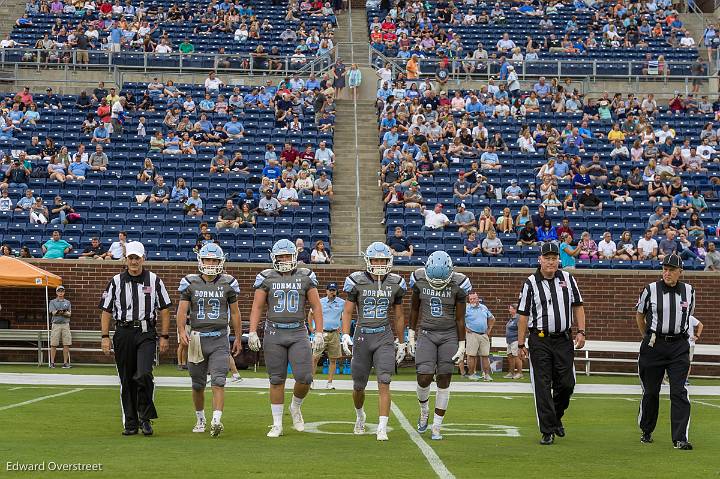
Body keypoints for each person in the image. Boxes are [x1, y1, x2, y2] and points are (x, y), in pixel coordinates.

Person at [248, 239, 325, 438]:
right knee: (276, 380)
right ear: (274, 257)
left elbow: (316, 306)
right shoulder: (266, 277)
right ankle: (277, 424)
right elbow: (257, 306)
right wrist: (253, 331)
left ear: (295, 257)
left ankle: (295, 406)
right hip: (274, 332)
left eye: (287, 256)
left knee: (305, 377)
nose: (284, 260)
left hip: (298, 331)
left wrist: (318, 332)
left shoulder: (305, 276)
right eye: (280, 256)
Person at [99, 241, 172, 436]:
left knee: (144, 374)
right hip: (123, 332)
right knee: (127, 379)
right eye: (130, 258)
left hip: (146, 331)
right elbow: (106, 311)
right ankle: (131, 422)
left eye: (136, 258)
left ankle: (145, 417)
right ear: (125, 259)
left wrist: (164, 336)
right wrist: (105, 336)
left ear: (143, 259)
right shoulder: (115, 281)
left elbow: (164, 309)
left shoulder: (154, 280)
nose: (133, 261)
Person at [517, 242, 586, 445]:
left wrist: (581, 331)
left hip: (564, 339)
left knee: (567, 384)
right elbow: (522, 315)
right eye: (547, 258)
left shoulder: (568, 278)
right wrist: (520, 344)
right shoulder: (530, 283)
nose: (550, 262)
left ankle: (555, 417)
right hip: (539, 339)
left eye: (554, 258)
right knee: (543, 385)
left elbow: (578, 306)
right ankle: (547, 430)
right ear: (540, 260)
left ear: (558, 260)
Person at [340, 242, 407, 441]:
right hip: (362, 335)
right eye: (376, 260)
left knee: (384, 381)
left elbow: (399, 315)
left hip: (383, 336)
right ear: (368, 261)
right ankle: (360, 415)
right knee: (359, 386)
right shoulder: (356, 280)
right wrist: (345, 334)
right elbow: (348, 310)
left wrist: (401, 341)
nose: (379, 264)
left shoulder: (395, 282)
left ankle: (382, 427)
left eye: (383, 260)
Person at [176, 244, 242, 437]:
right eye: (207, 260)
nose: (211, 264)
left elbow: (235, 313)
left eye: (214, 260)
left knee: (219, 381)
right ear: (200, 261)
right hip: (196, 338)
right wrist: (181, 330)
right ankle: (200, 418)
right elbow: (181, 310)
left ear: (221, 262)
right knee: (197, 384)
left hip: (219, 337)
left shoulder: (228, 282)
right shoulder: (190, 282)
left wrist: (238, 337)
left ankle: (216, 420)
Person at [407, 251, 471, 440]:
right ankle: (424, 409)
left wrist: (462, 344)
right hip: (427, 332)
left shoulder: (459, 284)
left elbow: (460, 319)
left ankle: (437, 426)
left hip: (449, 334)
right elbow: (414, 308)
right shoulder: (419, 279)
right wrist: (411, 335)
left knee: (444, 378)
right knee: (424, 377)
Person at [635, 253, 695, 450]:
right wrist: (648, 337)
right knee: (651, 392)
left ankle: (680, 438)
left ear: (680, 272)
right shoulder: (650, 290)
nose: (667, 273)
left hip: (678, 346)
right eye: (665, 269)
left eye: (671, 270)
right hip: (654, 345)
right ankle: (647, 429)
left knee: (679, 391)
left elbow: (687, 317)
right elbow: (640, 315)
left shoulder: (689, 291)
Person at [308, 282, 346, 390]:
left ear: (336, 291)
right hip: (321, 333)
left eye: (334, 290)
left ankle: (329, 382)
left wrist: (342, 327)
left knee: (333, 359)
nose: (332, 292)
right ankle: (311, 381)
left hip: (334, 333)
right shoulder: (320, 302)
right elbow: (311, 314)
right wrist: (311, 328)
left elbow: (346, 314)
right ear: (327, 291)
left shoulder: (342, 303)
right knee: (315, 357)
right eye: (330, 290)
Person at [464, 292, 495, 381]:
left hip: (483, 334)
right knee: (471, 355)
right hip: (472, 334)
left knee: (485, 355)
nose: (472, 300)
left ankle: (486, 375)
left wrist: (489, 329)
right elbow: (459, 319)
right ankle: (471, 374)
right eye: (470, 299)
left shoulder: (484, 307)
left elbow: (492, 318)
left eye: (474, 298)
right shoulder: (466, 308)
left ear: (478, 299)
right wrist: (465, 328)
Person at [48, 285, 72, 368]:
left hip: (65, 324)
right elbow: (53, 312)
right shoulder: (52, 302)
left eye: (62, 291)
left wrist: (61, 312)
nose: (60, 292)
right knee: (53, 344)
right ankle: (52, 363)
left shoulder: (68, 302)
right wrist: (62, 312)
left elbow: (69, 314)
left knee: (66, 344)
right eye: (59, 291)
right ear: (56, 292)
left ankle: (65, 363)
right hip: (56, 325)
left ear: (64, 292)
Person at [505, 304, 523, 379]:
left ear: (515, 309)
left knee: (516, 356)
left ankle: (519, 373)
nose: (509, 310)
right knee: (510, 356)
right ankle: (511, 372)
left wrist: (520, 342)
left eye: (511, 308)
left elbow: (521, 330)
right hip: (509, 341)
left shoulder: (518, 318)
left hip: (515, 340)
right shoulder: (512, 318)